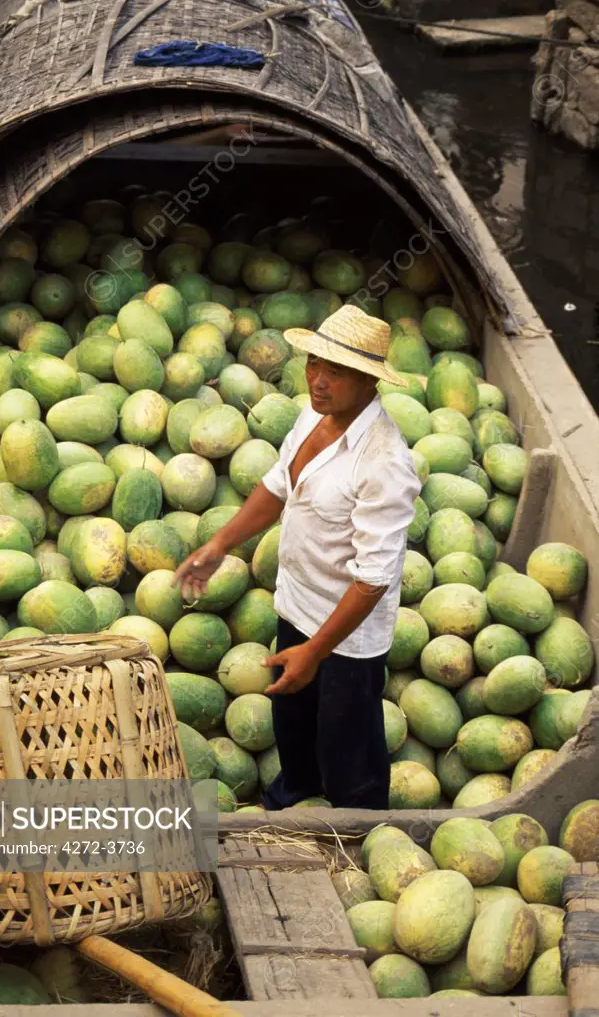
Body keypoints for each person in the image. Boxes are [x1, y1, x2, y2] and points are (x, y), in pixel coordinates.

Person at [173, 304, 421, 810]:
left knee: (349, 748)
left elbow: (372, 581)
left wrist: (317, 652)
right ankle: (292, 793)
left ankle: (358, 826)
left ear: (370, 381)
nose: (319, 381)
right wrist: (220, 544)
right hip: (296, 605)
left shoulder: (385, 462)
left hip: (347, 634)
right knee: (292, 720)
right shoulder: (314, 414)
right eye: (314, 364)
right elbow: (278, 484)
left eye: (337, 372)